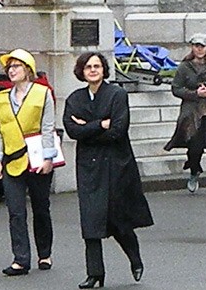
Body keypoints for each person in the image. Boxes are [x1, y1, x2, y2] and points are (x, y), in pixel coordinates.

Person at [63, 52, 153, 289]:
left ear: (104, 69)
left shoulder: (116, 94)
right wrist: (99, 124)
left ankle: (135, 258)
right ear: (82, 71)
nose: (93, 70)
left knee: (118, 219)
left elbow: (118, 130)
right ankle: (95, 273)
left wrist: (89, 129)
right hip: (88, 166)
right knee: (90, 220)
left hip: (116, 165)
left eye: (97, 66)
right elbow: (72, 130)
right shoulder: (75, 98)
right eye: (88, 67)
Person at [0, 49, 56, 276]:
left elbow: (48, 127)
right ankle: (21, 259)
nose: (11, 71)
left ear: (27, 70)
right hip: (12, 159)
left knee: (41, 208)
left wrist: (49, 158)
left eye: (16, 66)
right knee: (16, 211)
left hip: (37, 158)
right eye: (9, 67)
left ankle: (44, 253)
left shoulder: (42, 93)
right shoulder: (1, 98)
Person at [165, 33, 206, 197]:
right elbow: (176, 88)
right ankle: (194, 170)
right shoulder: (184, 67)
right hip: (192, 112)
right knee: (194, 147)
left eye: (203, 46)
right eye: (196, 46)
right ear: (192, 47)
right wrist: (195, 93)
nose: (200, 49)